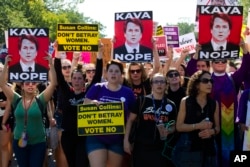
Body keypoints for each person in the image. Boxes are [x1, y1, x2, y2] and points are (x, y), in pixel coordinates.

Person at [187, 38, 250, 167]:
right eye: (217, 61)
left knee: (235, 160)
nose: (220, 62)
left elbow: (246, 66)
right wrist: (196, 54)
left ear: (227, 62)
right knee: (211, 161)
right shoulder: (205, 79)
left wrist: (244, 48)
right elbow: (190, 71)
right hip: (209, 127)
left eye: (223, 60)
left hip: (230, 129)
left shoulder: (234, 79)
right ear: (212, 63)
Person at [0, 54, 57, 167]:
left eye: (33, 83)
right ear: (22, 86)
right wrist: (6, 64)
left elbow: (53, 84)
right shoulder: (16, 99)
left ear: (37, 85)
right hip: (20, 142)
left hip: (38, 143)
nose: (30, 85)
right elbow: (2, 83)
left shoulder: (41, 99)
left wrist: (50, 64)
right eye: (27, 83)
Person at [84, 59, 136, 167]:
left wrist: (126, 140)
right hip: (96, 137)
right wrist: (92, 103)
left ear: (121, 74)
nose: (113, 73)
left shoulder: (128, 92)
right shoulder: (97, 87)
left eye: (117, 71)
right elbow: (84, 107)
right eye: (111, 70)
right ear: (106, 73)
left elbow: (131, 119)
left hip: (117, 139)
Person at [124, 73, 177, 167]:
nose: (159, 84)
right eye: (156, 82)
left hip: (161, 148)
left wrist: (167, 130)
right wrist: (126, 141)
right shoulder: (142, 101)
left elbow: (173, 126)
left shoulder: (171, 104)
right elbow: (130, 121)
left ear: (166, 85)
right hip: (141, 147)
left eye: (162, 82)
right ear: (151, 85)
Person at [172, 70, 220, 167]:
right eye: (205, 81)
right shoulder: (186, 101)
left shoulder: (214, 103)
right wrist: (198, 126)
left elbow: (218, 128)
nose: (209, 84)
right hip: (188, 149)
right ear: (197, 84)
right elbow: (179, 127)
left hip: (208, 149)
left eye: (211, 81)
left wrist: (211, 132)